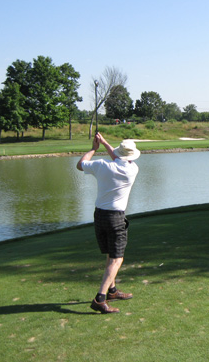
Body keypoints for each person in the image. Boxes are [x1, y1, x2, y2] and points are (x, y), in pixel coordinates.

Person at [76, 132, 140, 314]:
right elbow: (118, 158)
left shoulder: (101, 166)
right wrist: (104, 143)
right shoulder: (133, 169)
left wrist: (93, 149)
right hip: (116, 218)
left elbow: (80, 165)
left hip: (99, 216)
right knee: (117, 258)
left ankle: (112, 291)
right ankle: (100, 298)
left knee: (111, 255)